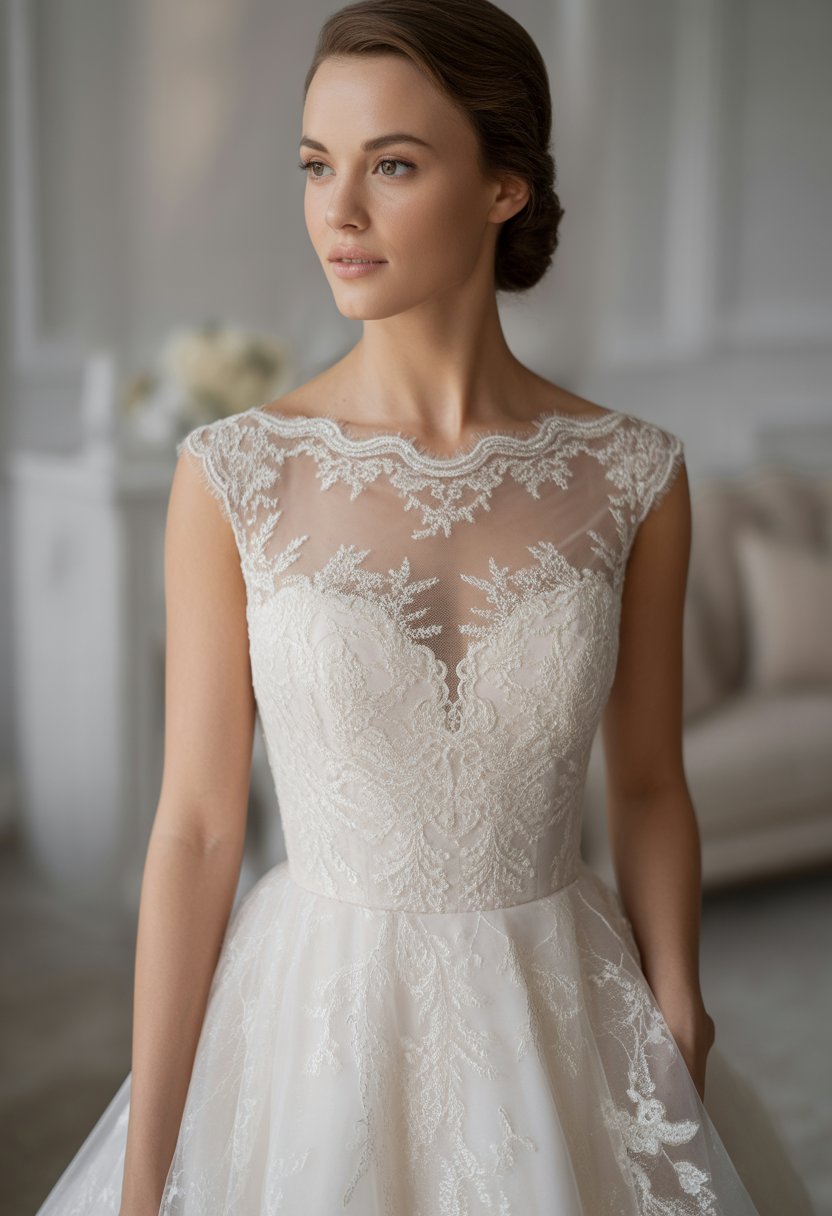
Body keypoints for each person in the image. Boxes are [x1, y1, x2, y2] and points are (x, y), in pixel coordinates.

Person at [36, 1, 815, 1213]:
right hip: (314, 1025)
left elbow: (650, 786)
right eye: (316, 166)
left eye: (390, 166)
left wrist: (678, 1005)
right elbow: (195, 827)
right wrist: (148, 1175)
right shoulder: (233, 473)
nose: (337, 212)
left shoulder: (633, 474)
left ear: (504, 186)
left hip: (567, 1011)